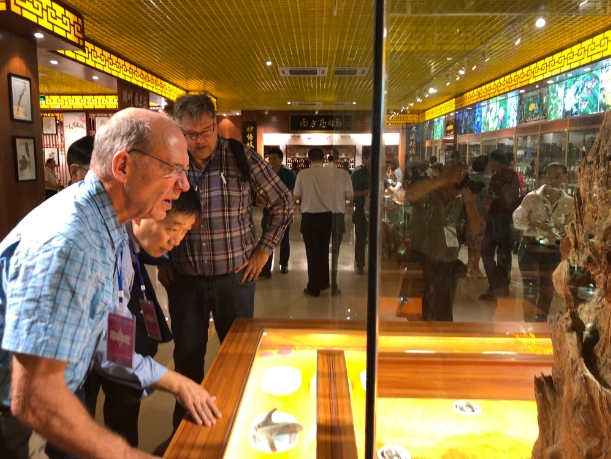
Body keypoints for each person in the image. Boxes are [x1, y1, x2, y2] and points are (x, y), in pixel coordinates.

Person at [0, 108, 190, 459]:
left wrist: (173, 381)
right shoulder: (72, 243)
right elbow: (35, 398)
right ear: (123, 167)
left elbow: (105, 332)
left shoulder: (107, 223)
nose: (184, 185)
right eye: (173, 169)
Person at [158, 93, 293, 429]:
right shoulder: (171, 162)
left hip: (235, 279)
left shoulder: (240, 157)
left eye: (206, 131)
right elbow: (153, 212)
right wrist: (161, 257)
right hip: (185, 279)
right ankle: (186, 431)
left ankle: (244, 421)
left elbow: (283, 203)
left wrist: (264, 249)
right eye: (190, 134)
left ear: (216, 124)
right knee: (187, 358)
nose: (199, 141)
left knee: (239, 356)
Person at [83, 188, 221, 450]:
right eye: (173, 228)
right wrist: (175, 383)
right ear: (145, 211)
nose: (176, 241)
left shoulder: (125, 248)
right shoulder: (97, 243)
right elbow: (108, 349)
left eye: (184, 232)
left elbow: (115, 334)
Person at [404, 160, 481, 321]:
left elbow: (475, 232)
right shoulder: (429, 193)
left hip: (447, 265)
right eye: (458, 176)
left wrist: (470, 204)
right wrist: (444, 180)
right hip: (422, 262)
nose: (461, 181)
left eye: (465, 177)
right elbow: (410, 195)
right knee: (416, 317)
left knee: (442, 319)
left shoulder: (460, 201)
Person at [513, 163, 574, 321]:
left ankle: (540, 321)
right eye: (549, 175)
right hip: (530, 246)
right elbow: (517, 219)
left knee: (547, 288)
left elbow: (571, 228)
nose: (552, 180)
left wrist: (556, 229)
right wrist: (532, 224)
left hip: (552, 248)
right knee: (530, 287)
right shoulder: (532, 197)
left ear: (565, 179)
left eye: (557, 176)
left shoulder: (569, 202)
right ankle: (528, 322)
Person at [293, 148, 347, 296]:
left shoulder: (302, 174)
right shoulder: (331, 174)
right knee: (323, 250)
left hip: (309, 217)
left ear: (309, 159)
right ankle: (324, 282)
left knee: (312, 252)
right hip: (327, 216)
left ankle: (314, 287)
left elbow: (296, 196)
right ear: (323, 159)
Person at [479, 150, 521, 301]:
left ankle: (497, 285)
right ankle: (503, 287)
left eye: (490, 160)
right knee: (505, 254)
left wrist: (482, 217)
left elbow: (490, 199)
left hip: (496, 218)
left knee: (486, 251)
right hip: (510, 218)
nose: (489, 163)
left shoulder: (497, 177)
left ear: (495, 161)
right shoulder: (513, 175)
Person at [260, 148, 296, 277]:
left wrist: (278, 197)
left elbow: (293, 191)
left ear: (281, 159)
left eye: (274, 158)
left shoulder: (288, 174)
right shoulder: (265, 173)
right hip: (269, 209)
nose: (272, 161)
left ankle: (284, 264)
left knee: (284, 238)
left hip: (284, 210)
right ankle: (266, 268)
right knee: (266, 238)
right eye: (270, 158)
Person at [329, 149, 354, 295]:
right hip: (337, 214)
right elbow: (350, 197)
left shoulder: (317, 174)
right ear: (338, 160)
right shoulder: (344, 174)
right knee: (336, 249)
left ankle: (322, 280)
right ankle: (334, 282)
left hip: (321, 214)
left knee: (320, 249)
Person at [466, 155, 491, 279]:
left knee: (471, 241)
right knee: (479, 242)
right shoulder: (485, 181)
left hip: (468, 213)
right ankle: (476, 267)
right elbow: (487, 199)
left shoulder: (471, 178)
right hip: (480, 214)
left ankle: (470, 263)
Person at [351, 151, 371, 275]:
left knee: (374, 239)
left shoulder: (379, 173)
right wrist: (366, 192)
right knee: (360, 238)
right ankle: (360, 263)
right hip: (360, 209)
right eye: (367, 158)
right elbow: (352, 193)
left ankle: (374, 265)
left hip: (375, 210)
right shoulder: (357, 174)